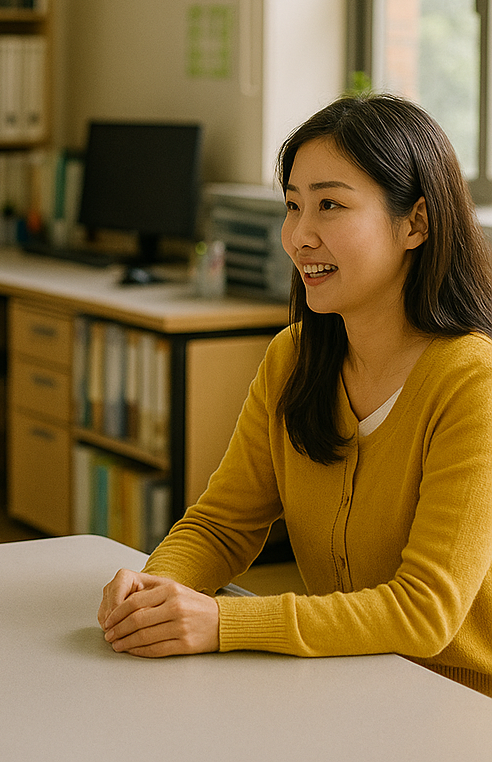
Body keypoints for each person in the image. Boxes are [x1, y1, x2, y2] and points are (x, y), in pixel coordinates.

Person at [98, 92, 492, 697]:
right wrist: (154, 591)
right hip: (344, 680)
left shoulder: (473, 381)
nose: (298, 236)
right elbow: (222, 525)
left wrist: (224, 622)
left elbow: (424, 612)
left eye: (330, 205)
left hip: (459, 703)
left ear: (415, 223)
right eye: (292, 206)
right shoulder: (293, 358)